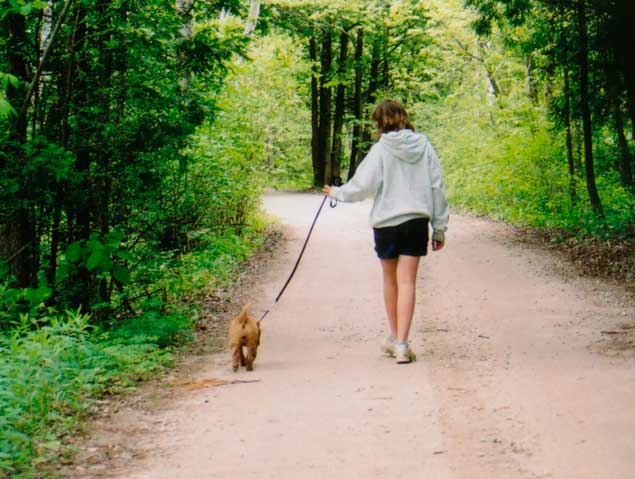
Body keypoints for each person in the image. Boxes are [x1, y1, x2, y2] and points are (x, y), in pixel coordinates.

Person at [323, 99, 449, 364]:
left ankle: (395, 337)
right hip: (416, 221)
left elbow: (362, 185)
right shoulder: (424, 146)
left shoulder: (380, 150)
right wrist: (439, 227)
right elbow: (436, 187)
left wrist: (336, 193)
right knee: (408, 282)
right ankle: (401, 343)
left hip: (386, 224)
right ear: (404, 117)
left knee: (390, 281)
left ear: (379, 123)